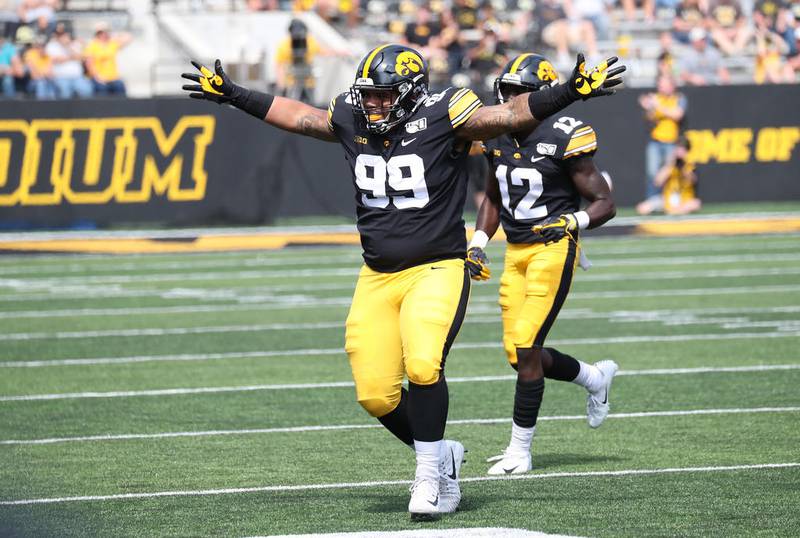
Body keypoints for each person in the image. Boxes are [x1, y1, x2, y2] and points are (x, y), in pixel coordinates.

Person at [182, 44, 624, 518]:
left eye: (383, 96)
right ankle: (443, 453)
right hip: (376, 274)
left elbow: (512, 112)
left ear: (412, 93)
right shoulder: (351, 115)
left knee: (424, 366)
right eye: (368, 96)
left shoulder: (445, 114)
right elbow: (303, 118)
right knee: (375, 393)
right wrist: (235, 95)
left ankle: (431, 477)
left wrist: (568, 92)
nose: (372, 105)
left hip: (437, 266)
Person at [464, 53, 618, 475]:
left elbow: (605, 203)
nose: (509, 98)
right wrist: (477, 242)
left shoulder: (564, 135)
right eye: (506, 90)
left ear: (540, 95)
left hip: (555, 248)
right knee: (518, 355)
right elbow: (493, 200)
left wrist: (574, 219)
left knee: (528, 345)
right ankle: (593, 377)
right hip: (515, 252)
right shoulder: (494, 135)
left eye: (518, 91)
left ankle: (520, 449)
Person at [637, 75, 686, 213]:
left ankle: (667, 202)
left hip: (671, 141)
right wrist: (647, 107)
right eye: (660, 85)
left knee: (668, 172)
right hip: (656, 140)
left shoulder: (679, 98)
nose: (661, 87)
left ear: (672, 85)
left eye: (664, 84)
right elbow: (649, 117)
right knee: (652, 173)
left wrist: (658, 106)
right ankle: (652, 202)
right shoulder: (656, 98)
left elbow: (677, 114)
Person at [83, 22, 131, 96]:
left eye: (105, 32)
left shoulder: (111, 44)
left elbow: (128, 38)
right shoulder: (92, 46)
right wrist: (98, 77)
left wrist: (114, 34)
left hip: (113, 77)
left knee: (120, 87)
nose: (103, 34)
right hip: (98, 77)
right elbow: (89, 64)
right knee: (101, 89)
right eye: (101, 32)